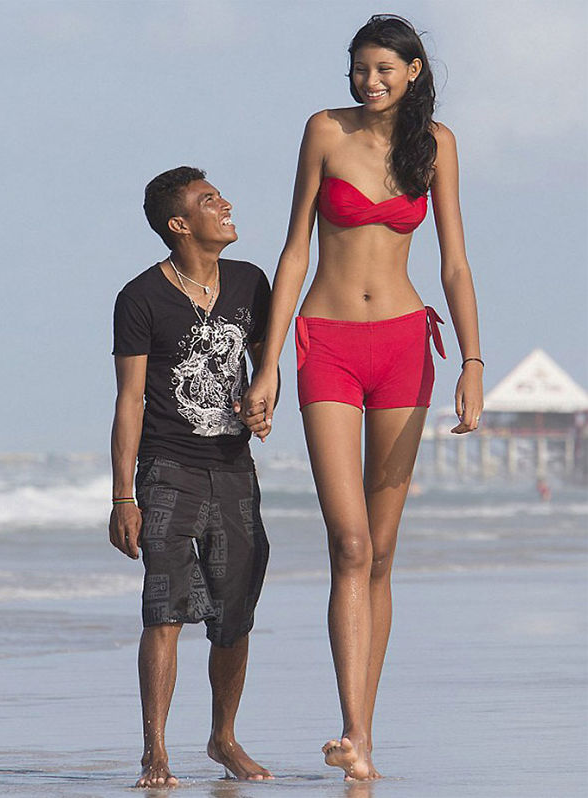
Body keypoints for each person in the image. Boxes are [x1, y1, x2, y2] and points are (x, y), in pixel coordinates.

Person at [241, 14, 484, 781]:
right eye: (358, 69)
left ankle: (364, 738)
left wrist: (472, 361)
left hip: (405, 349)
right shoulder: (323, 131)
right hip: (328, 345)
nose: (368, 81)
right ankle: (348, 727)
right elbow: (292, 250)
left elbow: (453, 263)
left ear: (412, 70)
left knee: (379, 553)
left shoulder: (436, 145)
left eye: (383, 68)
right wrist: (268, 363)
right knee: (346, 544)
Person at [109, 166, 275, 787]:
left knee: (234, 614)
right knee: (165, 610)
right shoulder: (140, 297)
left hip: (234, 471)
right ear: (180, 225)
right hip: (166, 471)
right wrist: (123, 494)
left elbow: (268, 367)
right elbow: (129, 400)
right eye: (210, 200)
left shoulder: (250, 283)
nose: (226, 204)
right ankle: (155, 751)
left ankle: (223, 738)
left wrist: (265, 401)